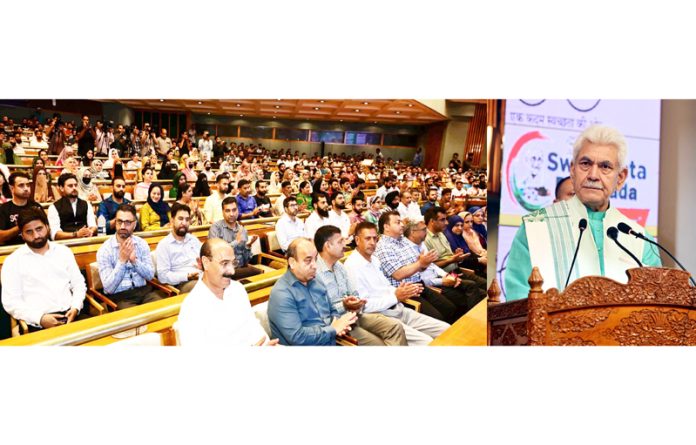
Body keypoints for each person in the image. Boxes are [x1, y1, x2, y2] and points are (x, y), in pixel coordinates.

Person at [505, 125, 663, 300]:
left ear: (620, 178)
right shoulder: (535, 227)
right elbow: (518, 303)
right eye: (586, 164)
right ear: (573, 170)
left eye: (605, 166)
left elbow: (654, 305)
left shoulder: (640, 239)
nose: (593, 175)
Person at [344, 222, 449, 345]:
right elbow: (364, 307)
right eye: (368, 238)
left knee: (446, 329)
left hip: (399, 310)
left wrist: (404, 290)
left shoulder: (375, 260)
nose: (372, 242)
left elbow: (386, 287)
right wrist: (396, 296)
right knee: (428, 342)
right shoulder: (352, 267)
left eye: (375, 238)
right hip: (383, 319)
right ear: (357, 240)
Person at [314, 225, 407, 346]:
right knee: (380, 344)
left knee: (395, 327)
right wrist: (345, 305)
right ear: (327, 246)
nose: (345, 245)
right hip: (337, 322)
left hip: (355, 314)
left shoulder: (340, 267)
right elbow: (322, 312)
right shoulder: (315, 273)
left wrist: (356, 302)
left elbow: (354, 294)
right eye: (340, 241)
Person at [374, 211, 471, 324]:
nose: (402, 225)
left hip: (420, 285)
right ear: (386, 227)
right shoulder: (384, 247)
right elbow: (398, 274)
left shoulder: (403, 241)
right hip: (407, 292)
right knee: (438, 318)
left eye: (401, 221)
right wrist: (421, 263)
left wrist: (424, 264)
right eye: (397, 222)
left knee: (451, 308)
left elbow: (418, 268)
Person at [177, 238, 279, 346]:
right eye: (224, 263)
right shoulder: (192, 307)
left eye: (233, 263)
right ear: (206, 263)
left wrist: (267, 345)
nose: (232, 271)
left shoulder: (238, 289)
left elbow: (253, 326)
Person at [2, 208, 87, 331]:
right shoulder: (13, 261)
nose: (36, 236)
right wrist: (40, 318)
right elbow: (11, 302)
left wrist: (75, 307)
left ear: (47, 227)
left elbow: (79, 285)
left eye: (39, 229)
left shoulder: (64, 251)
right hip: (37, 323)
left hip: (71, 316)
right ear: (22, 234)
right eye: (29, 232)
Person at [267, 237, 358, 346]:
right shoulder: (281, 293)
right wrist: (333, 329)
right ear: (292, 262)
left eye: (315, 259)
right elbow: (297, 337)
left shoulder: (316, 279)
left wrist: (338, 323)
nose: (315, 266)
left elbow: (332, 310)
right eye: (308, 260)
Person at [405, 219, 485, 313]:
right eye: (423, 229)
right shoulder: (406, 251)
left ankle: (474, 318)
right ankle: (471, 320)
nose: (426, 232)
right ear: (412, 232)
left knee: (476, 289)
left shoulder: (421, 244)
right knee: (470, 297)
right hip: (433, 285)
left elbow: (433, 266)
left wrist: (447, 276)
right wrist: (442, 281)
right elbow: (419, 278)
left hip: (444, 276)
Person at [96, 204, 166, 309]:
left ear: (135, 224)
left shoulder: (141, 244)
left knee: (162, 309)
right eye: (119, 221)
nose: (123, 226)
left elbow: (150, 275)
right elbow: (109, 288)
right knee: (134, 318)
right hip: (120, 297)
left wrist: (135, 261)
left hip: (144, 291)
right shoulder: (104, 250)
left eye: (127, 222)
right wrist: (122, 261)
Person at [208, 197, 261, 279]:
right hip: (223, 270)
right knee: (257, 273)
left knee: (259, 277)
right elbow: (216, 253)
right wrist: (236, 242)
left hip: (240, 268)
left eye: (234, 210)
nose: (231, 214)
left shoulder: (242, 230)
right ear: (222, 212)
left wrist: (248, 246)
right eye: (227, 211)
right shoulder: (215, 228)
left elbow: (246, 261)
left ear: (238, 211)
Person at [155, 203, 202, 294]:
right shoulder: (164, 245)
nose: (184, 223)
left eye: (187, 219)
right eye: (180, 219)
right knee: (204, 287)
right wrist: (187, 276)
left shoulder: (194, 240)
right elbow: (163, 276)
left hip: (202, 276)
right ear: (172, 220)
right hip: (182, 283)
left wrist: (204, 266)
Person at [47, 173, 98, 240]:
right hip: (64, 244)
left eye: (76, 185)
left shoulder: (86, 204)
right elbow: (55, 234)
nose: (74, 188)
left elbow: (93, 226)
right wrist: (75, 234)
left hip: (86, 241)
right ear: (61, 188)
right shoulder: (53, 207)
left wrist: (90, 231)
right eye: (70, 186)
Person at [0, 172, 43, 245]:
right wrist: (21, 226)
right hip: (13, 249)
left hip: (36, 245)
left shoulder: (36, 207)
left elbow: (47, 228)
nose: (26, 188)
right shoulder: (3, 209)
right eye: (21, 185)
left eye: (28, 185)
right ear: (12, 188)